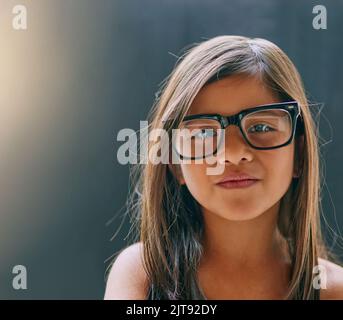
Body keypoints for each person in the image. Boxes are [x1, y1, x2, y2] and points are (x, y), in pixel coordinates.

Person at [104, 35, 343, 300]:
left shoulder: (334, 291)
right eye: (204, 134)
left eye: (261, 127)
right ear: (175, 165)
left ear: (299, 155)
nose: (232, 153)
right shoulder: (143, 275)